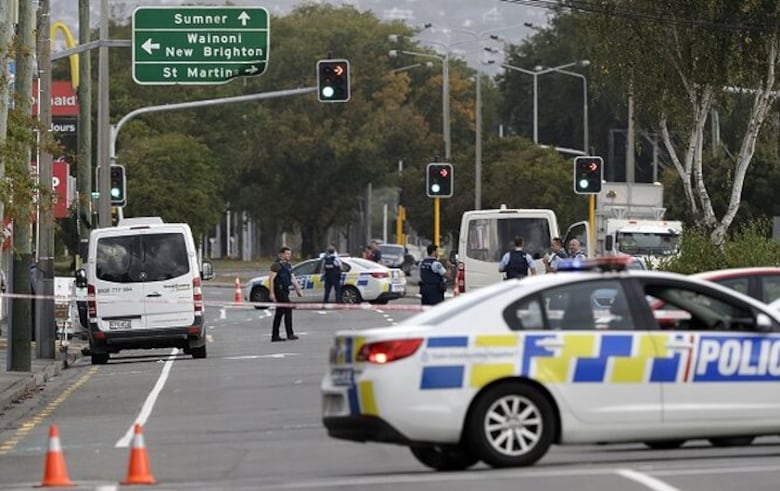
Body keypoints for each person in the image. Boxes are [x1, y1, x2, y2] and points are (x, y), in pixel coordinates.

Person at [268, 246, 303, 342]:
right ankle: (289, 333)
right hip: (279, 290)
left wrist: (298, 290)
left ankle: (275, 335)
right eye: (287, 254)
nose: (289, 256)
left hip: (285, 291)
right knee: (288, 309)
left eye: (290, 254)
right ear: (281, 254)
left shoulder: (288, 265)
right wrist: (271, 293)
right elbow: (271, 279)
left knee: (279, 313)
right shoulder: (276, 265)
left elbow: (292, 278)